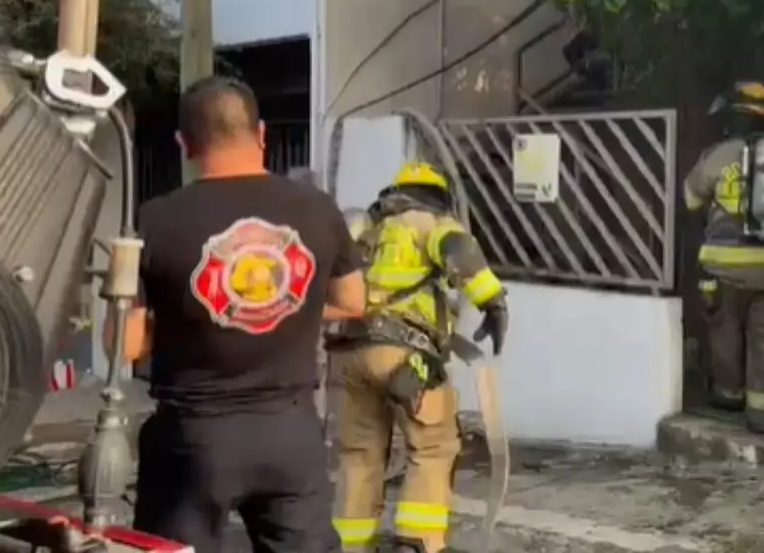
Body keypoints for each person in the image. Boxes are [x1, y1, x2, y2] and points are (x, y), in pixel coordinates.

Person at [103, 75, 367, 553]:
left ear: (184, 144)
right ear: (261, 134)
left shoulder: (155, 218)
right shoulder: (318, 208)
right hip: (291, 433)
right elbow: (353, 301)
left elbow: (123, 345)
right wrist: (289, 307)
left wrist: (184, 317)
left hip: (194, 439)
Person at [327, 159, 508, 553]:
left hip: (347, 355)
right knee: (433, 446)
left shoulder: (367, 229)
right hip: (404, 354)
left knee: (358, 454)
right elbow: (458, 249)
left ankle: (350, 545)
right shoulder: (429, 222)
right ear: (437, 197)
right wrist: (493, 302)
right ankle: (417, 542)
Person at [683, 81, 764, 434]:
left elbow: (690, 200)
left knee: (725, 330)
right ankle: (762, 411)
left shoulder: (717, 157)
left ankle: (729, 394)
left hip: (728, 266)